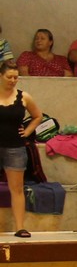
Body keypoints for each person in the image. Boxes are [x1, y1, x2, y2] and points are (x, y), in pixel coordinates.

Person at [0, 61, 43, 237]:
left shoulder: (23, 96)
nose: (12, 80)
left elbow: (38, 116)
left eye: (16, 77)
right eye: (9, 77)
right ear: (1, 76)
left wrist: (27, 132)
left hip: (15, 147)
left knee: (17, 188)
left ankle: (20, 227)